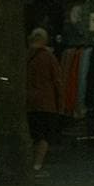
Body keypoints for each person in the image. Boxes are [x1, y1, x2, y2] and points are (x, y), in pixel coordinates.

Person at [25, 28, 66, 174]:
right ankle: (37, 165)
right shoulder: (48, 57)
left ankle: (27, 163)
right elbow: (57, 81)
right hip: (46, 102)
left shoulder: (24, 55)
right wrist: (61, 104)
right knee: (44, 136)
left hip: (28, 101)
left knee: (33, 133)